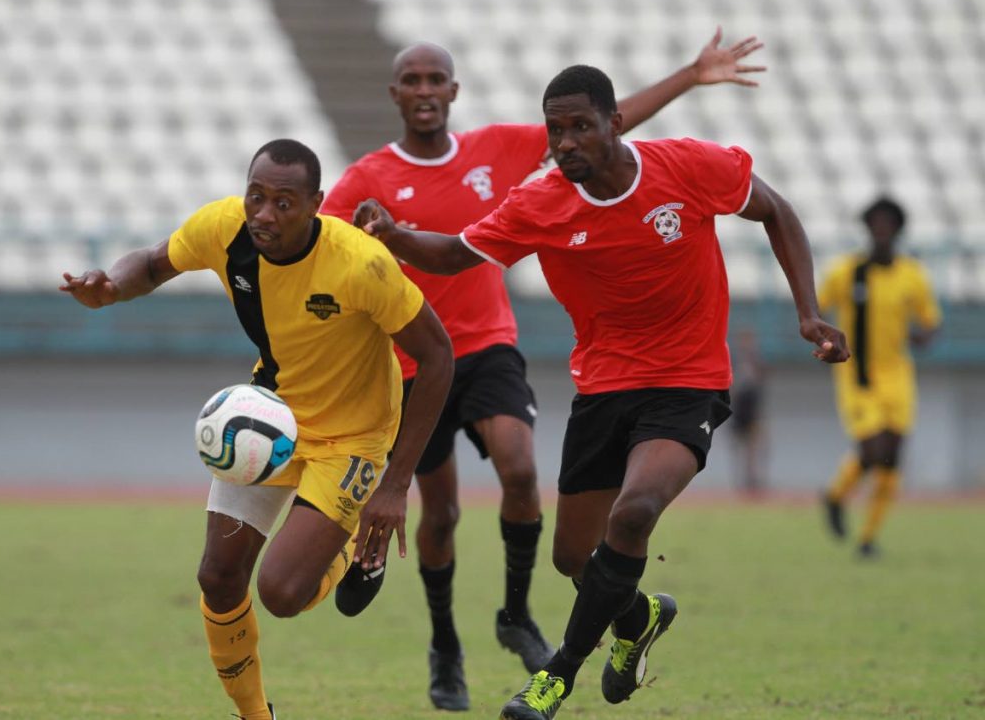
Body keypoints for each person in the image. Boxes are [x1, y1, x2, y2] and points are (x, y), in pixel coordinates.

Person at [352, 64, 849, 720]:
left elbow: (776, 209)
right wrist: (393, 235)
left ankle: (555, 677)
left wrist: (807, 311)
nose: (565, 143)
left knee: (635, 512)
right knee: (573, 559)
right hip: (603, 388)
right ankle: (638, 615)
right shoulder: (541, 202)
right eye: (555, 130)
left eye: (580, 127)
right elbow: (452, 255)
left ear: (615, 123)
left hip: (687, 382)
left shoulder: (689, 167)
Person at [59, 139, 454, 720]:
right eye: (256, 196)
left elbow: (439, 354)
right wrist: (112, 286)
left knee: (282, 594)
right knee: (218, 576)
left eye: (285, 202)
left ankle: (350, 551)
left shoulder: (361, 263)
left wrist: (395, 487)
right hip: (272, 420)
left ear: (317, 204)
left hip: (355, 437)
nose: (265, 213)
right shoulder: (225, 228)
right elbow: (150, 263)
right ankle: (255, 716)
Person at [820, 195, 941, 558]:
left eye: (889, 223)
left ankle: (868, 539)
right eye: (876, 223)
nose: (882, 229)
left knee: (893, 459)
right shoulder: (846, 271)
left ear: (898, 229)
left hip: (898, 375)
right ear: (868, 228)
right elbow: (816, 308)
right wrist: (825, 340)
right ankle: (836, 496)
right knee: (874, 451)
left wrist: (923, 336)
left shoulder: (911, 274)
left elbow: (930, 322)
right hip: (858, 375)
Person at [728, 327, 767, 493]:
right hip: (738, 409)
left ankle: (753, 478)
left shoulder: (755, 360)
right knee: (740, 446)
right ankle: (742, 479)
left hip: (752, 409)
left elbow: (761, 382)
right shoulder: (733, 361)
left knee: (756, 445)